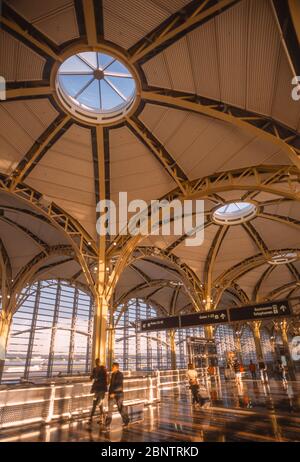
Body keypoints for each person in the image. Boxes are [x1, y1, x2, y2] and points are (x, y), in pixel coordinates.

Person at [105, 362, 129, 428]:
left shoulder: (120, 374)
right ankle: (107, 425)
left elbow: (120, 386)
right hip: (112, 395)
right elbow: (109, 384)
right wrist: (107, 376)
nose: (111, 368)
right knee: (110, 410)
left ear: (116, 367)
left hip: (118, 395)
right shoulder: (112, 374)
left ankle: (126, 421)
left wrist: (114, 393)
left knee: (120, 409)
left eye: (112, 367)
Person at [89, 358, 108, 424]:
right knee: (97, 404)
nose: (96, 363)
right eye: (96, 362)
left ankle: (93, 418)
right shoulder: (95, 369)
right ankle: (94, 418)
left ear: (99, 362)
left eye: (97, 362)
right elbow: (92, 377)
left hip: (101, 389)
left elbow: (105, 378)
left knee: (98, 403)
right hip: (97, 390)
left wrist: (96, 378)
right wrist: (92, 377)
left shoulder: (103, 369)